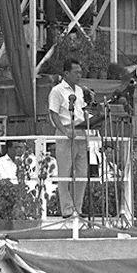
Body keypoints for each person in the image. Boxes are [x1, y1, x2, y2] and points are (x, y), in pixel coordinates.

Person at [48, 58, 88, 217]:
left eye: (80, 72)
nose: (79, 75)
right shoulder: (57, 90)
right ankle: (67, 209)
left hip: (81, 130)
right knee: (65, 172)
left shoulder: (79, 90)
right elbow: (54, 113)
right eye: (76, 72)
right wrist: (64, 131)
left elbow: (82, 110)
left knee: (82, 173)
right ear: (66, 73)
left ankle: (78, 207)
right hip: (65, 131)